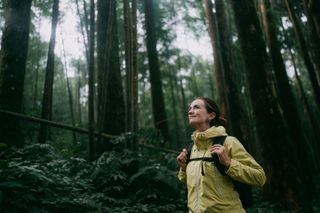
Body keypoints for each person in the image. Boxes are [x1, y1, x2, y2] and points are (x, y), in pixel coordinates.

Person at [177, 97, 266, 213]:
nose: (190, 111)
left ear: (211, 116)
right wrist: (183, 168)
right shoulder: (191, 148)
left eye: (196, 107)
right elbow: (196, 184)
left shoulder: (229, 142)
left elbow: (260, 177)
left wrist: (229, 164)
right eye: (190, 108)